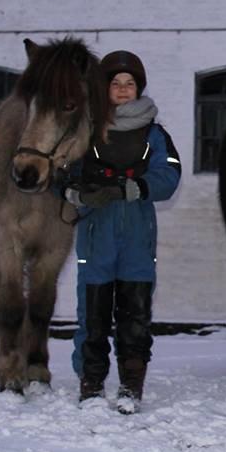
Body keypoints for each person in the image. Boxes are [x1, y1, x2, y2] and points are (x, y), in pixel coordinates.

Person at [63, 50, 181, 414]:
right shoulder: (84, 130)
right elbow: (61, 172)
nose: (124, 89)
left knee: (135, 316)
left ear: (139, 88)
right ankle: (91, 384)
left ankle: (131, 386)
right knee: (93, 315)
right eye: (116, 83)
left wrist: (135, 188)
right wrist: (78, 194)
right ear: (105, 88)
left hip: (137, 237)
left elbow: (169, 174)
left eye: (130, 83)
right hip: (96, 235)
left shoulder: (155, 134)